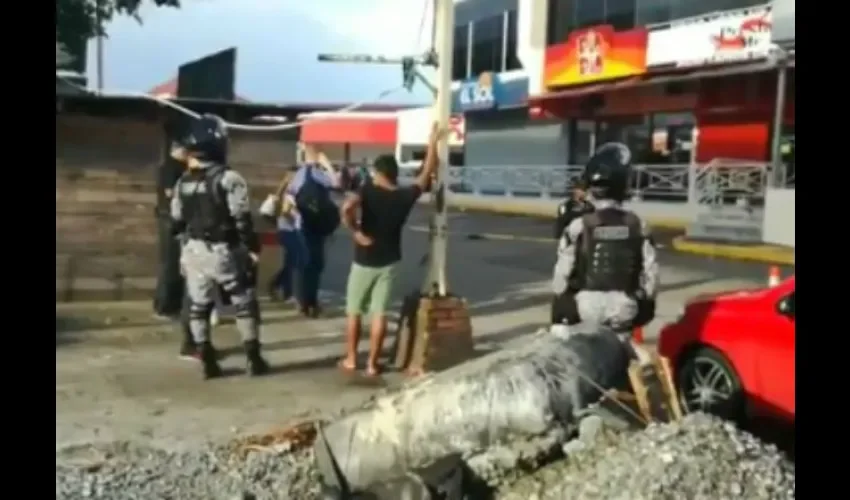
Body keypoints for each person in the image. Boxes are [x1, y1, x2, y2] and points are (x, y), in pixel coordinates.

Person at [338, 123, 445, 377]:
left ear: (378, 173)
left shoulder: (367, 190)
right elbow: (425, 174)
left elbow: (346, 209)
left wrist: (356, 231)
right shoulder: (403, 197)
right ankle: (373, 364)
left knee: (354, 311)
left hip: (364, 259)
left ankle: (352, 359)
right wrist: (432, 143)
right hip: (389, 261)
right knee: (379, 314)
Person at [170, 113, 269, 379]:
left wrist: (184, 253)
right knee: (244, 302)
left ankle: (208, 361)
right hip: (224, 250)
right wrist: (253, 248)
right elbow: (242, 218)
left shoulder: (183, 182)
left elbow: (176, 221)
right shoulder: (229, 178)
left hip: (193, 250)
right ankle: (253, 357)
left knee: (198, 307)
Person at [550, 142, 659, 336]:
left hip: (585, 309)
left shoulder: (578, 226)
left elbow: (561, 278)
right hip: (625, 309)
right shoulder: (639, 225)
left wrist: (563, 306)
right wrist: (644, 304)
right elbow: (651, 275)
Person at [287, 146, 342, 317]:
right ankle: (311, 302)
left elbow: (289, 196)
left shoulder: (299, 174)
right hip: (316, 226)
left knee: (305, 264)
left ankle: (303, 301)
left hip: (301, 225)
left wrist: (295, 213)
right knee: (315, 264)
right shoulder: (318, 174)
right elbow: (337, 183)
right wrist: (327, 164)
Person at [153, 142, 189, 319]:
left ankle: (172, 305)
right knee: (170, 263)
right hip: (169, 218)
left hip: (174, 218)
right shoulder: (171, 166)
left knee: (175, 263)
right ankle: (165, 306)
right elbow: (170, 192)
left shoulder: (177, 166)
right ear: (178, 150)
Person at [260, 165, 303, 303]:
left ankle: (279, 286)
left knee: (291, 261)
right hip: (289, 229)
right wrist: (298, 217)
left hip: (285, 229)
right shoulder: (290, 190)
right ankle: (283, 290)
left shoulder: (284, 187)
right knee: (292, 262)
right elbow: (285, 212)